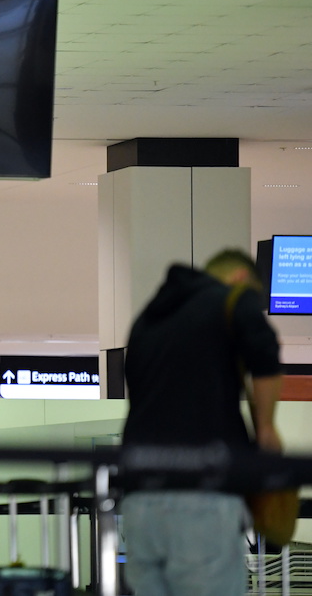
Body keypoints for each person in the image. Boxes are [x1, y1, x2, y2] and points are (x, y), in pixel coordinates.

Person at [120, 249, 284, 596]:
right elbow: (265, 356)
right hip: (201, 496)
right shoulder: (233, 299)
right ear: (240, 279)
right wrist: (266, 430)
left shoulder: (146, 320)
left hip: (138, 500)